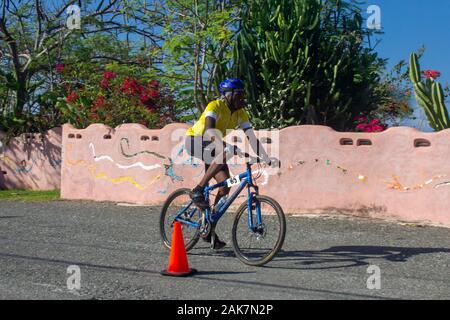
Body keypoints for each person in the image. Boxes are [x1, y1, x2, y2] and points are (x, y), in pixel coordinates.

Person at [185, 78, 280, 250]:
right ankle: (197, 190)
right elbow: (209, 131)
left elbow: (251, 137)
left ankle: (208, 229)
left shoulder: (240, 113)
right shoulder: (215, 106)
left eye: (244, 94)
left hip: (214, 146)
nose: (242, 98)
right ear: (228, 95)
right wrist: (223, 145)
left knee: (224, 187)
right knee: (223, 152)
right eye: (239, 94)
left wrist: (265, 157)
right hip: (195, 140)